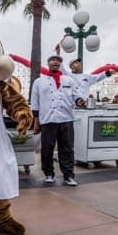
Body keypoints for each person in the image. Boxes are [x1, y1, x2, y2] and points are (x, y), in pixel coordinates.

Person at [31, 54, 85, 186]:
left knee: (67, 148)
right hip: (48, 119)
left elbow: (76, 95)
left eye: (58, 61)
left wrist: (79, 100)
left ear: (60, 64)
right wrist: (36, 123)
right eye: (53, 60)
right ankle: (49, 173)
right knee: (47, 148)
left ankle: (68, 176)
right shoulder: (39, 82)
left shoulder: (68, 80)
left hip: (66, 119)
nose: (56, 62)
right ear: (48, 63)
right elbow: (35, 103)